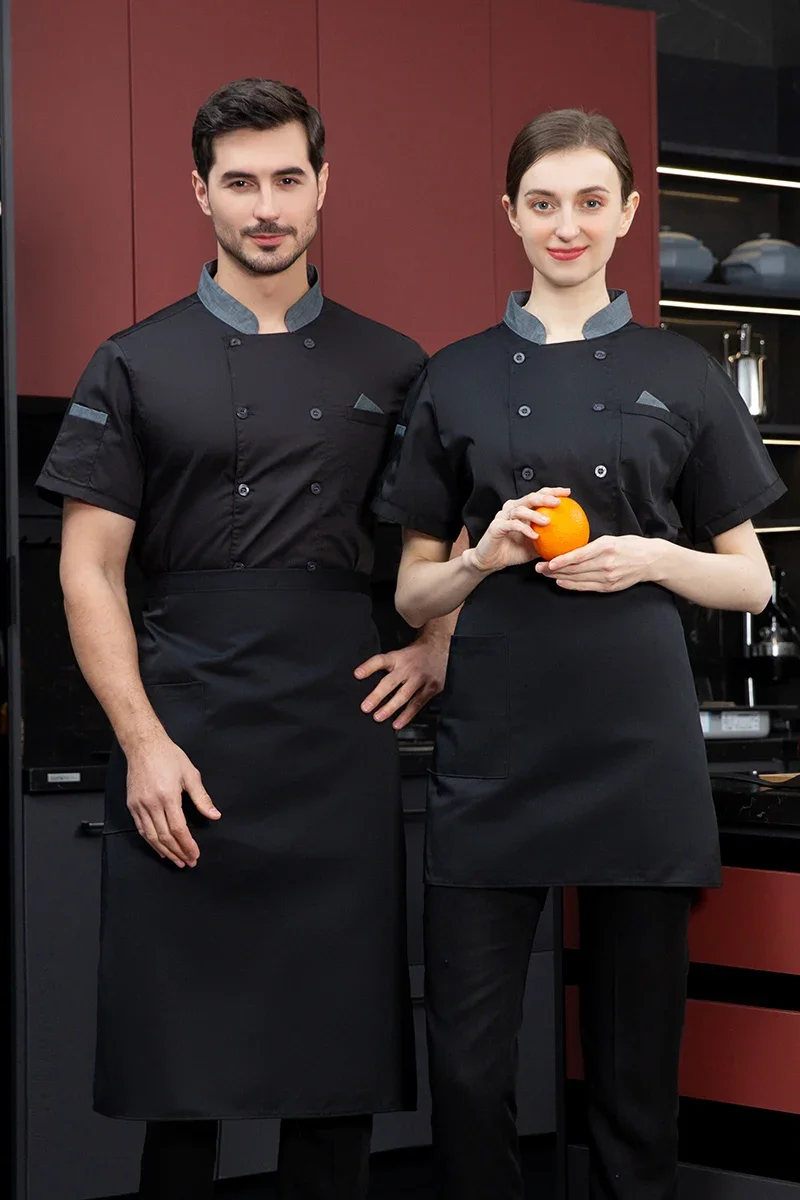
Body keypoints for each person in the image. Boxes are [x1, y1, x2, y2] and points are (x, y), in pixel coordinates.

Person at [36, 78, 454, 1200]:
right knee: (183, 1082)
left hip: (334, 740)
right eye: (238, 183)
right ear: (200, 194)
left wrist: (436, 645)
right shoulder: (131, 361)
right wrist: (142, 743)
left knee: (336, 1079)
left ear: (322, 187)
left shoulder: (392, 362)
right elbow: (88, 568)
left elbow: (438, 534)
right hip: (189, 733)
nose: (264, 206)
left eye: (286, 179)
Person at [373, 108, 782, 1200]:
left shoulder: (679, 373)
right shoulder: (450, 378)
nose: (566, 226)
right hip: (494, 746)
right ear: (509, 214)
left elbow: (751, 578)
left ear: (627, 214)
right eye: (543, 203)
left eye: (590, 202)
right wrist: (484, 556)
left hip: (635, 744)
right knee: (464, 1068)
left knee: (632, 1072)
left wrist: (648, 555)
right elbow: (413, 583)